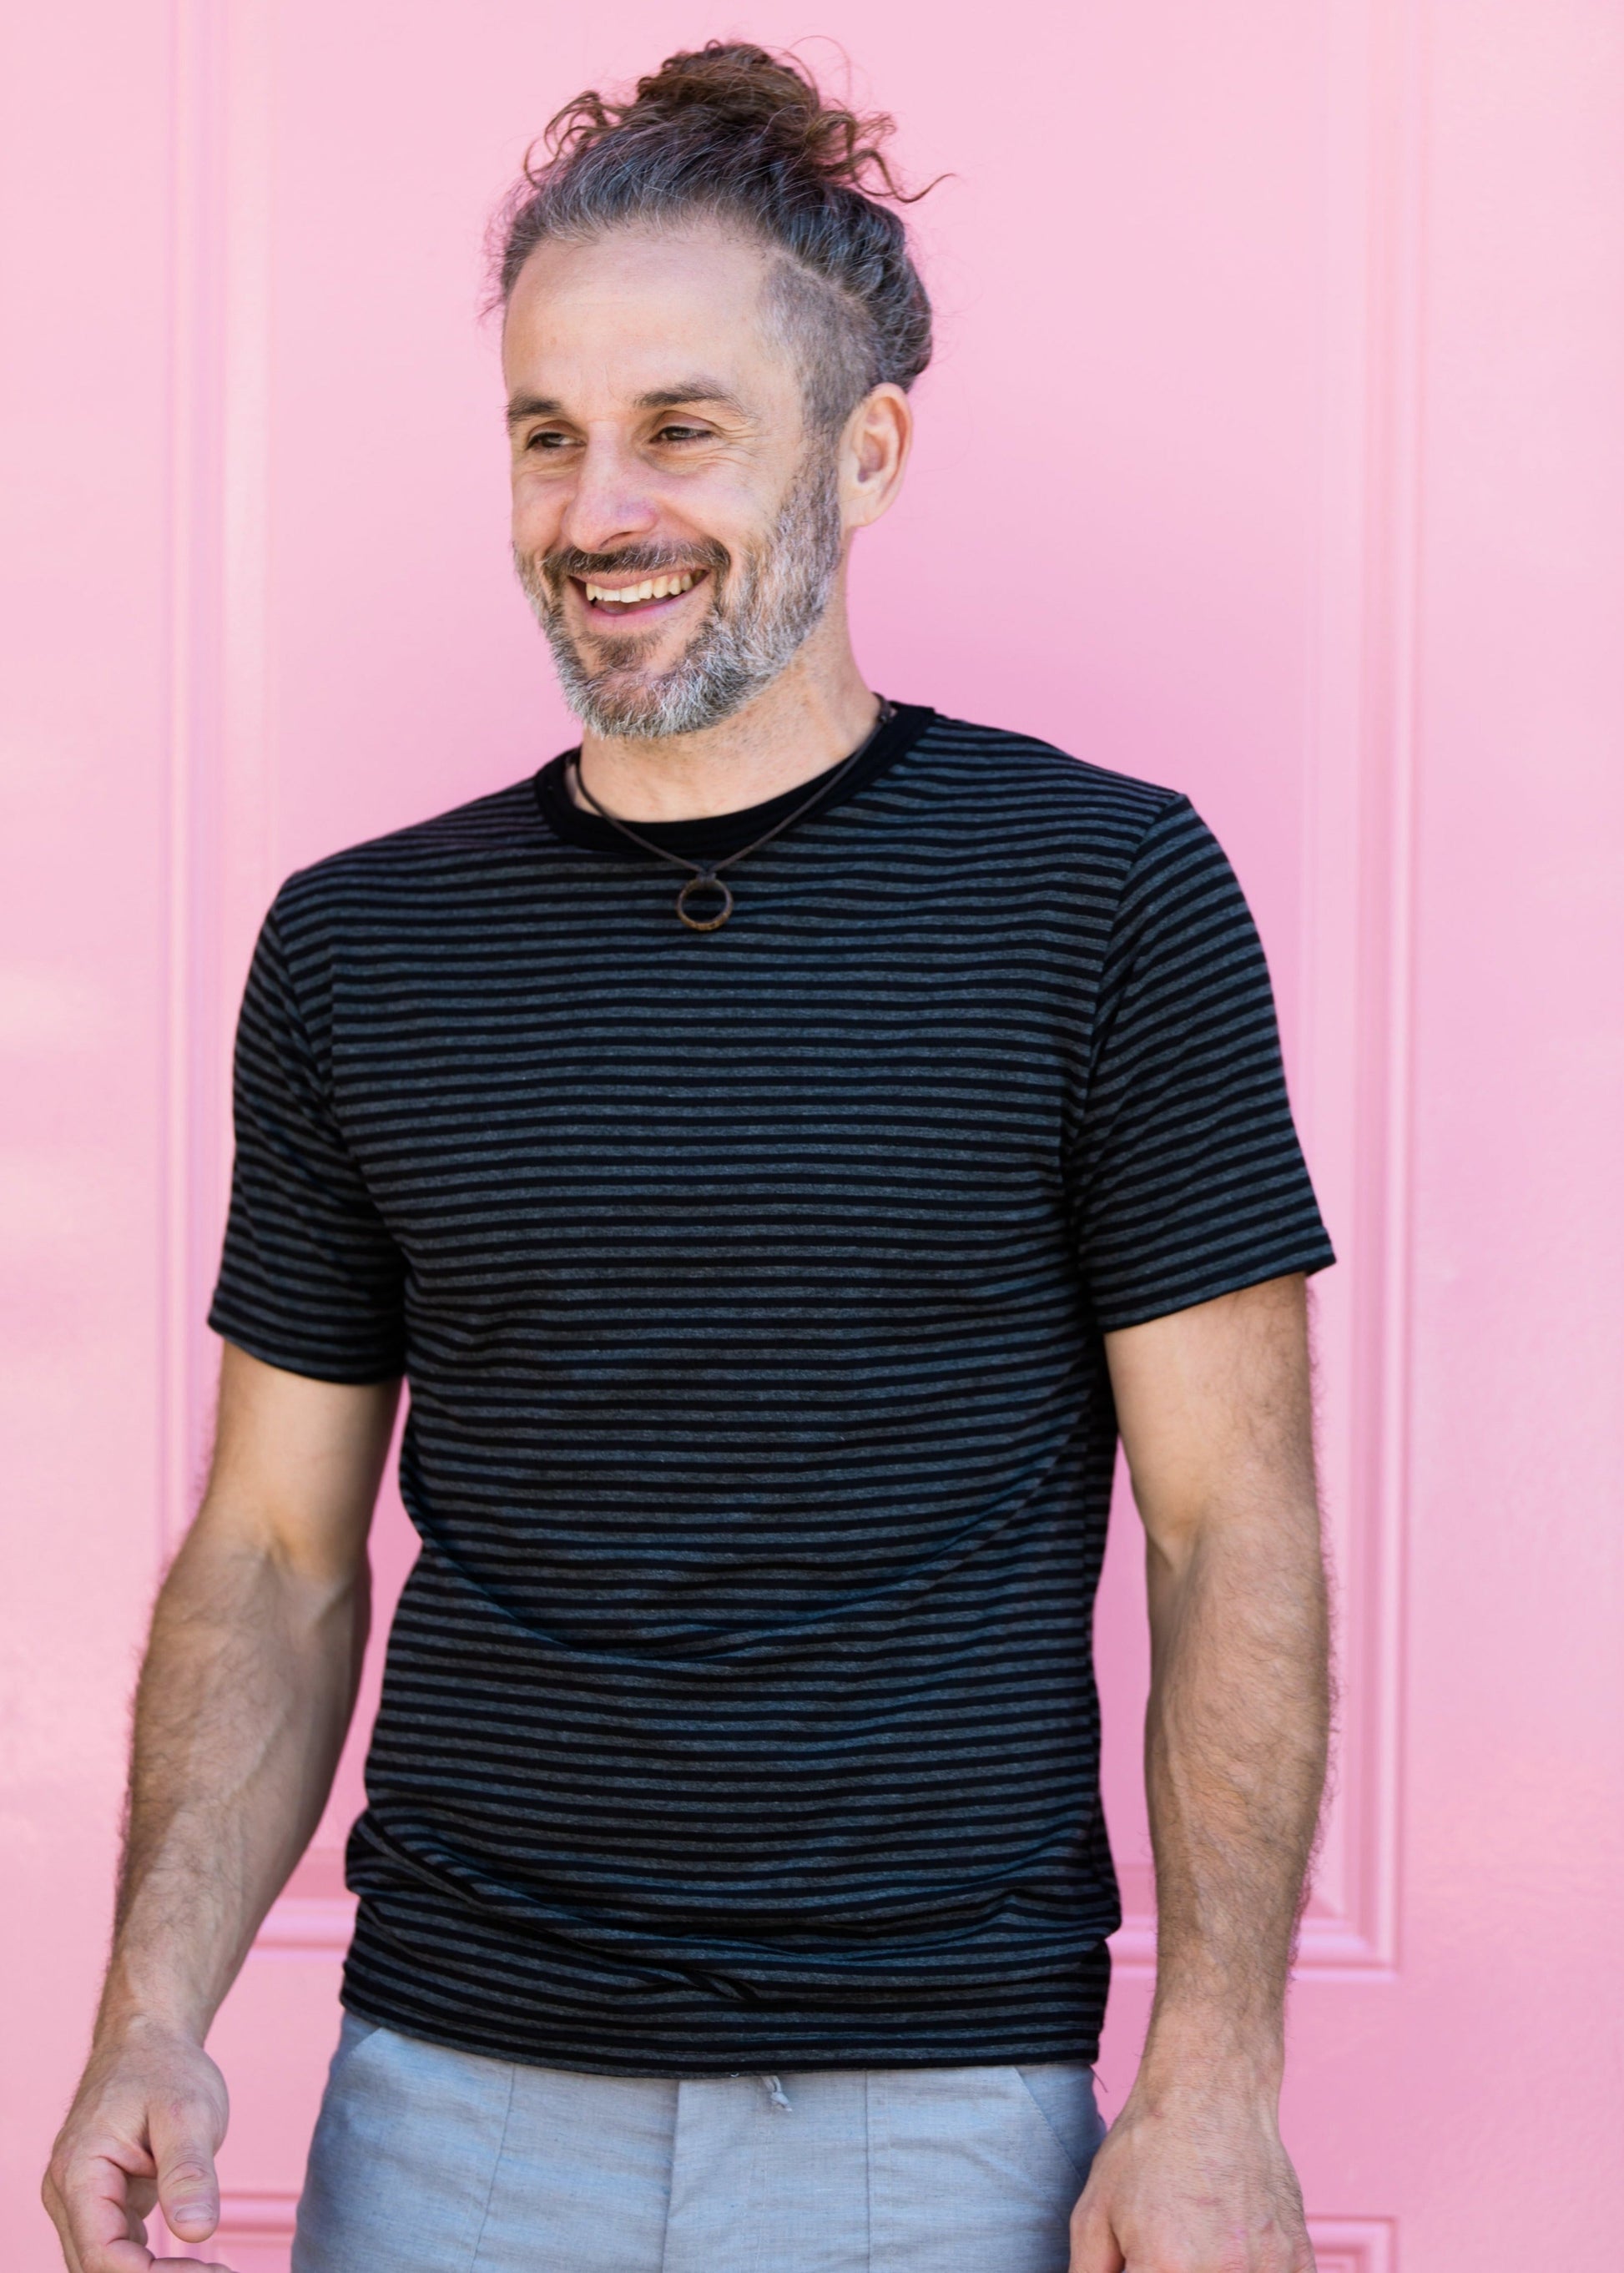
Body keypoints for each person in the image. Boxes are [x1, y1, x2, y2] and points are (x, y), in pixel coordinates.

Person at [44, 43, 1334, 2273]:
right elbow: (272, 1547)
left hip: (934, 2123)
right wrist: (150, 2013)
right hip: (443, 2111)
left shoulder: (1105, 893)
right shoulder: (361, 946)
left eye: (681, 427)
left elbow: (1232, 1528)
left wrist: (1212, 2082)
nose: (596, 509)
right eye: (546, 434)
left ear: (867, 450)